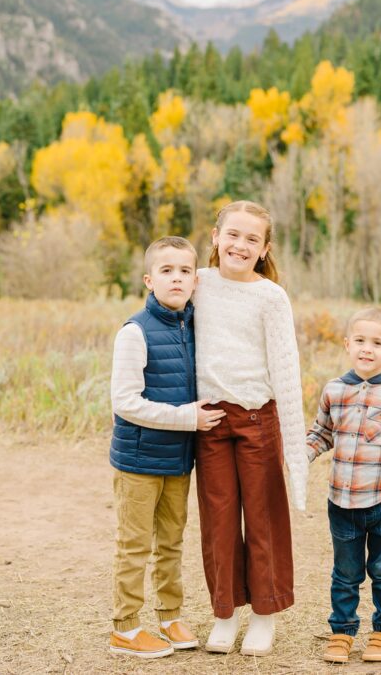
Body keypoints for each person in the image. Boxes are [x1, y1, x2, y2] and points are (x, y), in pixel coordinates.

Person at [193, 200, 308, 656]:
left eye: (252, 239)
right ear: (216, 237)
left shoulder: (270, 297)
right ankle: (225, 613)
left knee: (262, 517)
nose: (240, 245)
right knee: (217, 518)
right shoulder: (197, 284)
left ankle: (264, 614)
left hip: (258, 417)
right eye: (233, 235)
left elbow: (286, 370)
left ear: (264, 249)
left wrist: (295, 453)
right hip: (209, 420)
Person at [108, 236, 227, 658]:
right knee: (135, 543)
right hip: (139, 458)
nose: (176, 278)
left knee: (172, 541)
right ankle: (124, 627)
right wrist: (186, 418)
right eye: (166, 270)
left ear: (196, 280)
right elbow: (124, 402)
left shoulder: (196, 327)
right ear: (148, 279)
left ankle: (170, 616)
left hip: (179, 459)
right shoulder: (135, 331)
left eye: (184, 271)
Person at [306, 307, 381, 664]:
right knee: (345, 574)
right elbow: (322, 433)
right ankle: (342, 631)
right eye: (360, 340)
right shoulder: (334, 391)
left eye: (377, 343)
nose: (367, 349)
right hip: (341, 504)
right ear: (347, 344)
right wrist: (302, 454)